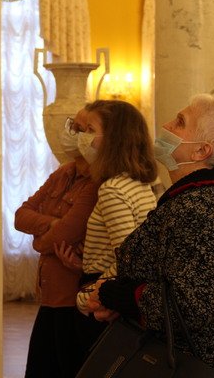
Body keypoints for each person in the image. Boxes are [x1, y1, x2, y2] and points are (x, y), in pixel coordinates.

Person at [90, 94, 214, 378]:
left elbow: (191, 306)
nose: (167, 125)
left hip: (194, 365)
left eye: (180, 122)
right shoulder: (201, 199)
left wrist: (115, 295)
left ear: (201, 151)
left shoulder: (206, 208)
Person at [53, 99, 158, 371]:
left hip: (105, 290)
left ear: (114, 139)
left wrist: (89, 294)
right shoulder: (137, 183)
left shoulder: (112, 189)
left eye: (90, 130)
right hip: (116, 287)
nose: (83, 138)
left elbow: (127, 257)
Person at [14, 108, 99, 378]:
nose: (73, 134)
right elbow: (21, 215)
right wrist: (52, 224)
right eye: (73, 126)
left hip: (75, 300)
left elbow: (65, 234)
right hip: (49, 296)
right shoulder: (63, 173)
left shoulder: (98, 183)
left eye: (83, 129)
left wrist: (44, 236)